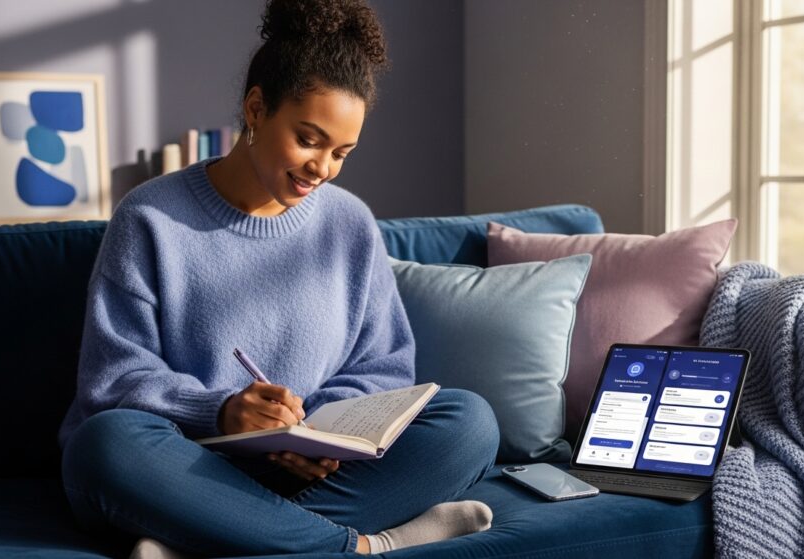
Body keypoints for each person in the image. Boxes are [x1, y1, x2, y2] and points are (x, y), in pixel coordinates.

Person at [57, 0, 500, 556]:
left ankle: (211, 539)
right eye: (309, 139)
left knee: (470, 423)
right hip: (185, 469)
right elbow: (113, 379)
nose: (323, 168)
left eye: (342, 152)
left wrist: (318, 431)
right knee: (105, 446)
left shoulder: (350, 224)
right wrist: (223, 412)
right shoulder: (150, 217)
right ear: (256, 108)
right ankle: (361, 546)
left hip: (307, 473)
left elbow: (385, 368)